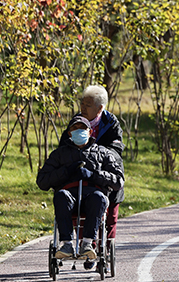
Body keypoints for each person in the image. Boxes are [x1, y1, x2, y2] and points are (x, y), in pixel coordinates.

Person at [37, 115, 124, 259]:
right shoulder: (59, 154)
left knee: (98, 198)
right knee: (61, 196)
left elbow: (118, 181)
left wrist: (94, 175)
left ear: (90, 132)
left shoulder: (103, 153)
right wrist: (66, 171)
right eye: (75, 128)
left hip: (93, 195)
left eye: (82, 128)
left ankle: (88, 243)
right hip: (69, 195)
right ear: (69, 133)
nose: (79, 131)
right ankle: (66, 244)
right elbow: (42, 181)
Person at [60, 85, 125, 237]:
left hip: (106, 176)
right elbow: (64, 148)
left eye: (88, 105)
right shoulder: (76, 123)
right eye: (82, 103)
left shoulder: (111, 124)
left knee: (109, 221)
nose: (82, 107)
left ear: (100, 108)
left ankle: (106, 250)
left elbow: (115, 153)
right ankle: (87, 248)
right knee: (83, 215)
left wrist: (93, 159)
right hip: (82, 180)